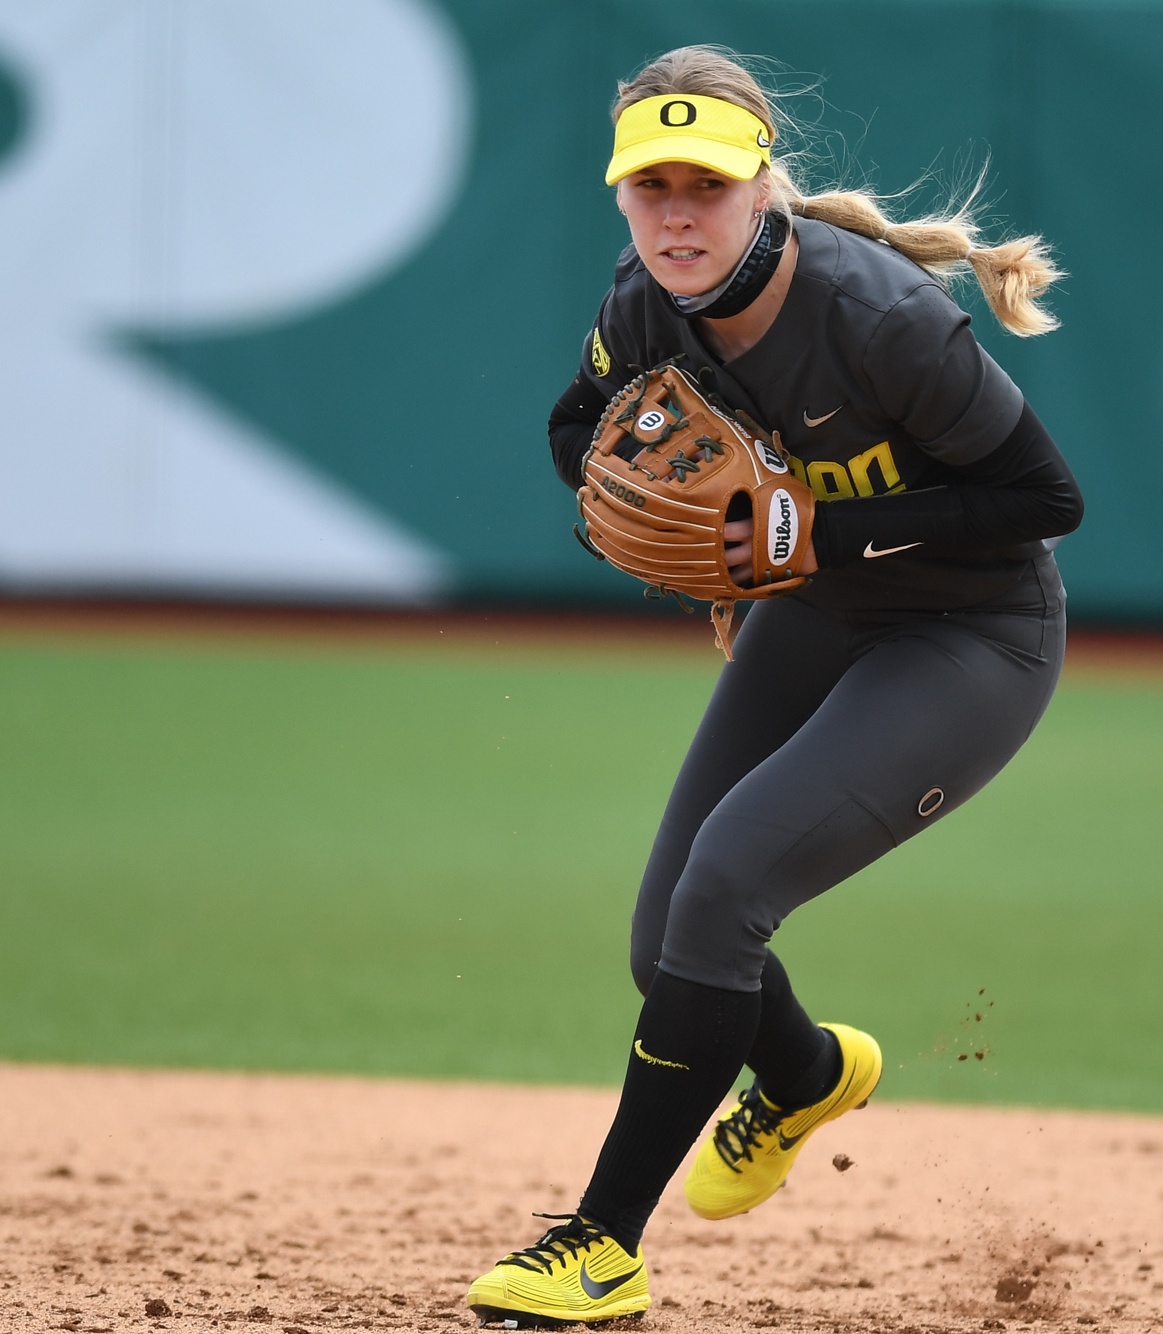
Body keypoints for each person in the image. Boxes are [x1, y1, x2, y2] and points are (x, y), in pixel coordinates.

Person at [464, 45, 1084, 1326]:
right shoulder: (643, 299)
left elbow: (1045, 499)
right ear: (621, 196)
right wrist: (621, 499)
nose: (678, 213)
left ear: (761, 188)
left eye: (707, 183)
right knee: (667, 943)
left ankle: (598, 1242)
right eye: (652, 187)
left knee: (728, 881)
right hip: (813, 616)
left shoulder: (879, 318)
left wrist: (820, 532)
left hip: (970, 635)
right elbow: (574, 422)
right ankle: (802, 1076)